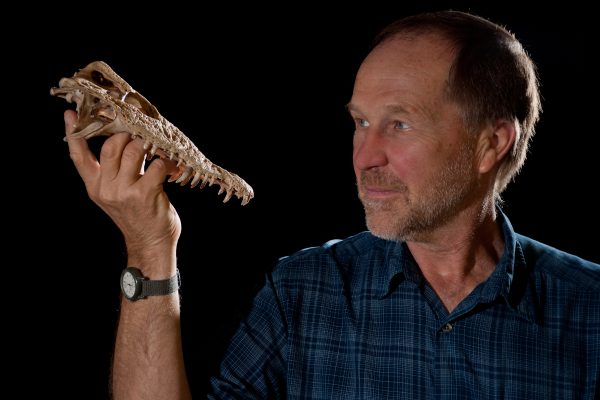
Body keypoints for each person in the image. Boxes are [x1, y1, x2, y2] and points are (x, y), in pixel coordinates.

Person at [63, 10, 599, 399]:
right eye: (360, 122)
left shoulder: (589, 310)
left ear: (491, 144)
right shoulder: (303, 292)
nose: (365, 157)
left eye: (399, 124)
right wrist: (150, 246)